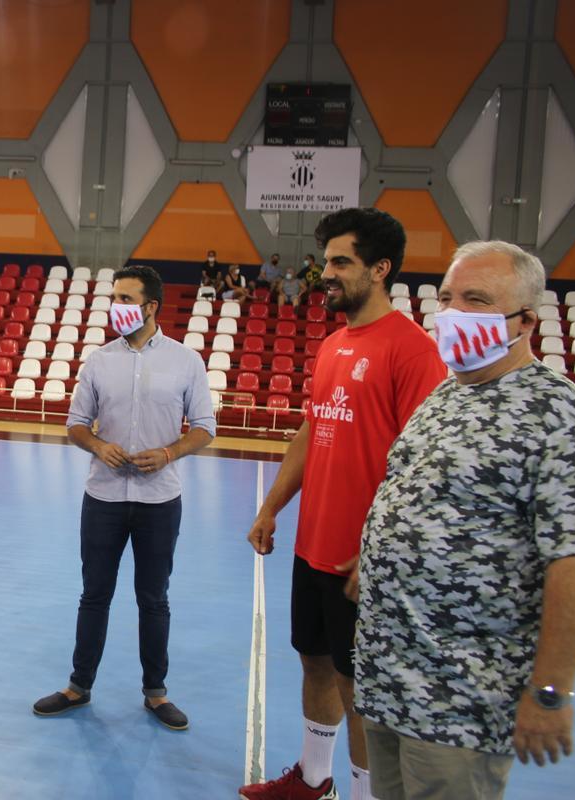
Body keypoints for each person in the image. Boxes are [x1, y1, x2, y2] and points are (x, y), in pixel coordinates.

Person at [355, 240, 575, 800]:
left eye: (476, 299)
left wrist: (549, 692)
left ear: (525, 322)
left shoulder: (554, 412)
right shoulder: (446, 393)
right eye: (447, 297)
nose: (454, 312)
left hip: (461, 696)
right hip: (389, 677)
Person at [239, 208, 446, 800]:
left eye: (340, 262)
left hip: (363, 560)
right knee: (315, 662)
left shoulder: (413, 352)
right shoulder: (332, 345)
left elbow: (423, 466)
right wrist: (271, 506)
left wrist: (382, 550)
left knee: (362, 688)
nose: (325, 272)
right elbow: (312, 430)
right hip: (314, 544)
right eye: (325, 260)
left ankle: (362, 794)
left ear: (381, 269)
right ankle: (312, 777)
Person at [33, 265, 215, 729]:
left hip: (160, 501)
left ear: (151, 306)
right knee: (94, 594)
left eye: (126, 299)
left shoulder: (185, 361)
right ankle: (78, 686)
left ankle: (156, 693)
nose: (117, 307)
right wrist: (97, 445)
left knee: (154, 599)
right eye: (114, 297)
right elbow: (75, 423)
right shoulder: (99, 360)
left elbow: (205, 429)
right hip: (104, 497)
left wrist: (170, 453)